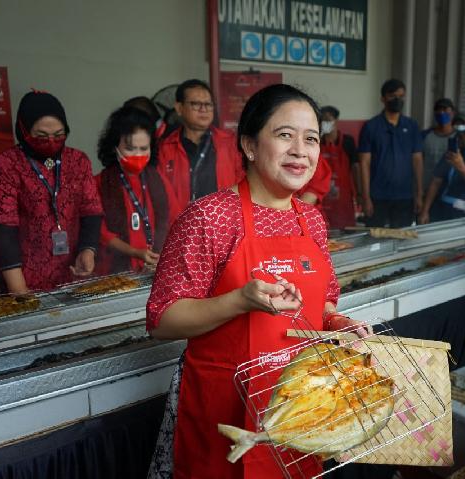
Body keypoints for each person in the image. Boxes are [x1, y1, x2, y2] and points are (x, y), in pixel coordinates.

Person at [146, 84, 368, 478]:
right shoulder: (210, 217)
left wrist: (337, 323)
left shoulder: (312, 221)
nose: (301, 149)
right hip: (223, 412)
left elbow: (323, 304)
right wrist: (240, 301)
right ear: (249, 145)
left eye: (311, 138)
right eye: (285, 135)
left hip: (298, 411)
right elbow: (163, 320)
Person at [0, 90, 103, 293]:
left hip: (73, 273)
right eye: (41, 136)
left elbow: (91, 210)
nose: (51, 142)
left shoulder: (77, 161)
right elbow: (3, 231)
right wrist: (19, 290)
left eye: (58, 135)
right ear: (23, 130)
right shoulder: (4, 166)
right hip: (23, 279)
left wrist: (88, 249)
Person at [94, 106, 179, 274]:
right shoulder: (99, 183)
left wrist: (163, 255)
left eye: (143, 149)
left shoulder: (158, 179)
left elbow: (175, 220)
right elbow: (100, 232)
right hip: (115, 273)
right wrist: (135, 253)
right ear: (114, 147)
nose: (138, 155)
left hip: (154, 269)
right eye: (130, 149)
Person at [157, 79, 243, 213]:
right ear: (179, 108)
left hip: (222, 224)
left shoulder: (230, 142)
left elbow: (243, 183)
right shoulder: (165, 147)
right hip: (182, 226)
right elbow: (162, 194)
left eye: (208, 104)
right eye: (196, 104)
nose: (204, 109)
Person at [358, 79, 423, 228]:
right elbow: (364, 163)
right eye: (393, 95)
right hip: (377, 196)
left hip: (404, 196)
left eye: (401, 96)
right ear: (383, 98)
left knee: (401, 241)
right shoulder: (371, 126)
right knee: (374, 241)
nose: (397, 100)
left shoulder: (411, 126)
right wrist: (366, 197)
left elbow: (417, 161)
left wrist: (419, 194)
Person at [318, 105, 358, 229]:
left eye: (328, 119)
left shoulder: (347, 141)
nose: (326, 123)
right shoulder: (317, 142)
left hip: (344, 197)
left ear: (336, 120)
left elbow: (356, 168)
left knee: (346, 230)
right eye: (322, 120)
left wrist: (360, 194)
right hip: (323, 196)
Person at [420, 98, 456, 195]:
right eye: (438, 109)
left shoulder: (460, 137)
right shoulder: (424, 135)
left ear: (453, 113)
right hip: (426, 188)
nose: (441, 112)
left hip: (450, 191)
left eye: (445, 109)